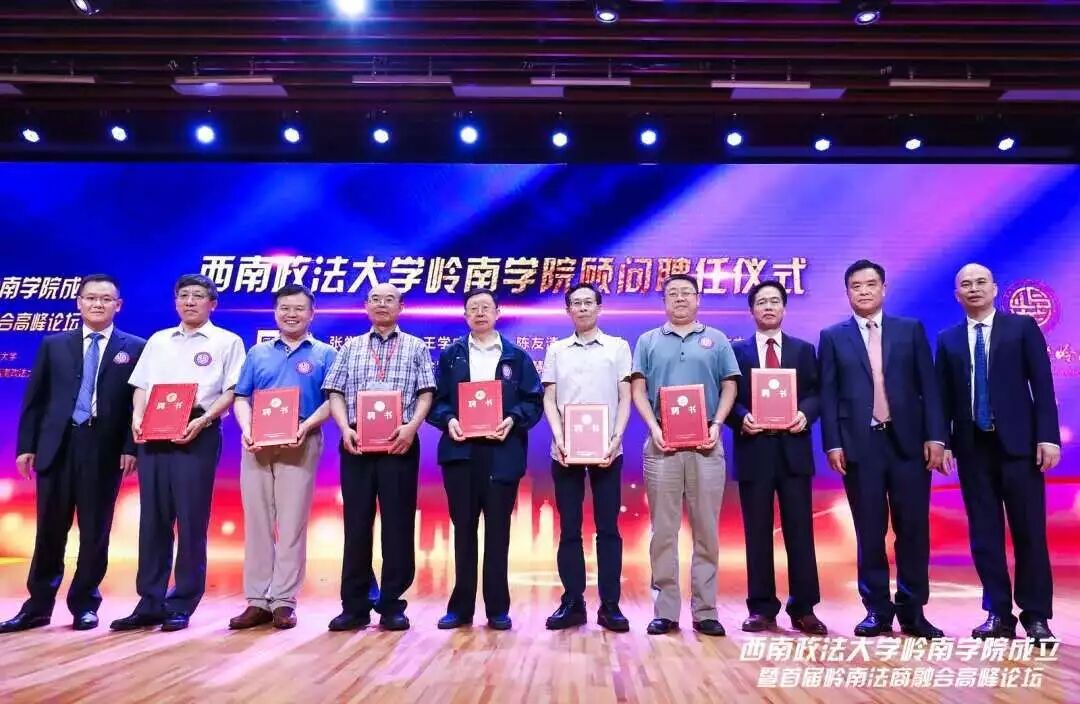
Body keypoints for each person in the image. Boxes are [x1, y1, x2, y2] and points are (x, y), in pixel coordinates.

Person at [1, 274, 144, 633]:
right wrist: (26, 446)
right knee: (49, 529)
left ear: (118, 305)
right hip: (56, 446)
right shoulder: (54, 345)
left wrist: (130, 447)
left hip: (103, 449)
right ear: (79, 302)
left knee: (96, 530)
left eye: (106, 299)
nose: (98, 304)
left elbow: (137, 405)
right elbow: (35, 400)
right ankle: (37, 606)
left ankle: (85, 604)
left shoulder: (135, 347)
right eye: (91, 298)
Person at [111, 273, 246, 632]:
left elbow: (233, 390)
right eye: (183, 295)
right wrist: (137, 417)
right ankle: (149, 601)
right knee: (152, 519)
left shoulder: (227, 341)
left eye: (198, 296)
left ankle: (182, 601)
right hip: (154, 431)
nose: (189, 301)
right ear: (175, 302)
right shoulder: (158, 340)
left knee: (191, 519)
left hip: (197, 429)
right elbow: (141, 386)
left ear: (212, 304)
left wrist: (204, 421)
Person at [819, 259, 946, 639]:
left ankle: (913, 610)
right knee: (870, 532)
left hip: (909, 445)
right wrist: (833, 442)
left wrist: (937, 437)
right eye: (856, 286)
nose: (864, 291)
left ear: (884, 288)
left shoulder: (910, 330)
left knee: (913, 529)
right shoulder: (833, 336)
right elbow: (828, 394)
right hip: (861, 446)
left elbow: (930, 387)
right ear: (847, 292)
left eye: (870, 284)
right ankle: (876, 609)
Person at [935, 263, 1060, 643]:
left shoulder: (1021, 328)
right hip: (973, 448)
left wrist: (1048, 437)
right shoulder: (948, 339)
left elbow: (1042, 385)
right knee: (984, 536)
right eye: (965, 284)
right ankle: (998, 614)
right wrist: (943, 442)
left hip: (1020, 447)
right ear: (957, 295)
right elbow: (942, 398)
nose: (973, 288)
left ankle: (1036, 616)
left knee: (1029, 532)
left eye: (980, 282)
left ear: (994, 288)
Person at [322, 282, 435, 632]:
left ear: (401, 307)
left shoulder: (416, 346)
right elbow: (334, 392)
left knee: (398, 525)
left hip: (400, 442)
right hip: (356, 442)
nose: (381, 304)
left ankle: (392, 604)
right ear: (366, 306)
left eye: (389, 299)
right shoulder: (350, 347)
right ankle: (354, 605)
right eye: (375, 299)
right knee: (356, 525)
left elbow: (426, 393)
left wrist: (412, 428)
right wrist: (344, 428)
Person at [427, 288, 543, 631]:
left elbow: (533, 401)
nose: (479, 313)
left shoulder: (516, 357)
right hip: (461, 454)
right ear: (465, 316)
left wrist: (513, 420)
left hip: (501, 454)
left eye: (485, 307)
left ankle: (497, 608)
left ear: (497, 313)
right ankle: (460, 608)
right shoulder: (451, 356)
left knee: (498, 532)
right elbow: (435, 400)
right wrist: (449, 420)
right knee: (463, 531)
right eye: (473, 308)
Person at [630, 274, 739, 637]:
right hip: (662, 442)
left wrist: (717, 424)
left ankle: (706, 611)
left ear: (698, 299)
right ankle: (666, 610)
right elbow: (639, 389)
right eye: (673, 294)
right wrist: (653, 428)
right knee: (663, 530)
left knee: (707, 530)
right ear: (664, 301)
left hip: (706, 442)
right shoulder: (648, 340)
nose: (680, 299)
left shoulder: (717, 339)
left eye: (686, 293)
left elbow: (730, 385)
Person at [228, 284, 335, 631]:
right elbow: (241, 397)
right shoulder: (257, 352)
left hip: (302, 442)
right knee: (258, 523)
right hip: (257, 445)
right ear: (275, 312)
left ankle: (284, 600)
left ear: (311, 314)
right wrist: (247, 429)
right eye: (285, 308)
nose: (291, 314)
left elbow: (332, 401)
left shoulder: (325, 354)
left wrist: (306, 426)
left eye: (299, 309)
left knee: (291, 524)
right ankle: (257, 600)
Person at [725, 280, 827, 635]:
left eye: (774, 301)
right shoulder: (736, 352)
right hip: (754, 450)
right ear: (751, 310)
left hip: (793, 451)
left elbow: (817, 393)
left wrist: (805, 414)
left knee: (800, 532)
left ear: (784, 308)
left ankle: (804, 608)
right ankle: (761, 608)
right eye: (761, 302)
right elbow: (726, 396)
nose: (768, 307)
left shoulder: (803, 350)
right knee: (757, 533)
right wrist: (741, 417)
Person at [541, 283, 632, 633]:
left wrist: (615, 438)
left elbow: (625, 397)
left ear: (599, 307)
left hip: (608, 450)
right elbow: (549, 399)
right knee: (569, 528)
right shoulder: (557, 350)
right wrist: (560, 438)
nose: (582, 308)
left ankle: (610, 605)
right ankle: (573, 602)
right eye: (575, 303)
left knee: (608, 528)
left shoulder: (617, 347)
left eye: (588, 302)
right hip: (565, 452)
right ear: (568, 310)